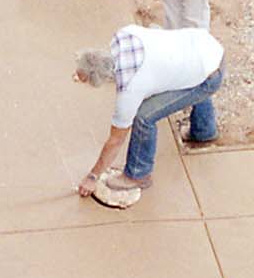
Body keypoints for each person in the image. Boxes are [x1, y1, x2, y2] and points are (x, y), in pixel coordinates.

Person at [74, 23, 224, 209]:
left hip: (209, 77)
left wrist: (92, 176)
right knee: (188, 75)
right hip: (204, 46)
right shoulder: (123, 35)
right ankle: (204, 131)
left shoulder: (130, 90)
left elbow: (115, 141)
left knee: (144, 116)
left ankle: (137, 174)